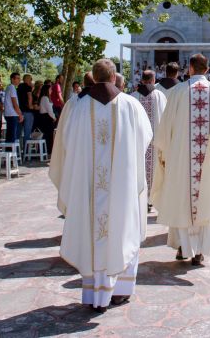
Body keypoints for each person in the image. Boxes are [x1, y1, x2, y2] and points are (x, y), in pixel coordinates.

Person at [49, 59, 152, 312]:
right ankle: (120, 290)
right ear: (115, 76)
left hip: (87, 187)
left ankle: (95, 292)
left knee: (91, 231)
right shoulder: (131, 105)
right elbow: (145, 138)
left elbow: (64, 144)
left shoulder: (77, 106)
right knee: (122, 227)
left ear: (94, 78)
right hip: (121, 185)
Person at [152, 53, 210, 266]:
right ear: (207, 68)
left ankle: (184, 247)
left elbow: (165, 130)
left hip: (182, 160)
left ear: (190, 68)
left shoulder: (177, 92)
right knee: (208, 198)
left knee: (182, 199)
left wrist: (164, 155)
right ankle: (201, 250)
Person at [130, 70, 167, 209]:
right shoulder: (159, 96)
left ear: (142, 80)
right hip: (155, 143)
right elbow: (165, 119)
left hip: (138, 144)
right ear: (153, 80)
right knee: (155, 171)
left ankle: (141, 199)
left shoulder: (133, 97)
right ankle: (152, 200)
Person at [37, 81, 57, 154]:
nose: (51, 91)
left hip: (46, 117)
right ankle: (48, 150)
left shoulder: (44, 98)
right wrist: (54, 117)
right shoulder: (45, 98)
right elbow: (49, 110)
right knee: (48, 135)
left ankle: (47, 149)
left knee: (48, 134)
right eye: (50, 89)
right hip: (46, 118)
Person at [4, 73, 22, 145]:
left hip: (11, 114)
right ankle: (10, 153)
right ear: (12, 79)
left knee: (11, 136)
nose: (19, 80)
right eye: (17, 78)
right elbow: (14, 103)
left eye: (19, 78)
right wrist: (20, 114)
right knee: (12, 137)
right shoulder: (11, 87)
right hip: (12, 114)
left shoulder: (11, 87)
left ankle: (10, 153)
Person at [18, 74, 36, 151]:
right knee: (27, 132)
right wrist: (30, 105)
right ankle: (26, 150)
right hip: (28, 111)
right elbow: (29, 96)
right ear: (28, 80)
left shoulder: (19, 87)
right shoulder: (28, 87)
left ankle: (18, 149)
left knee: (18, 132)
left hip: (19, 111)